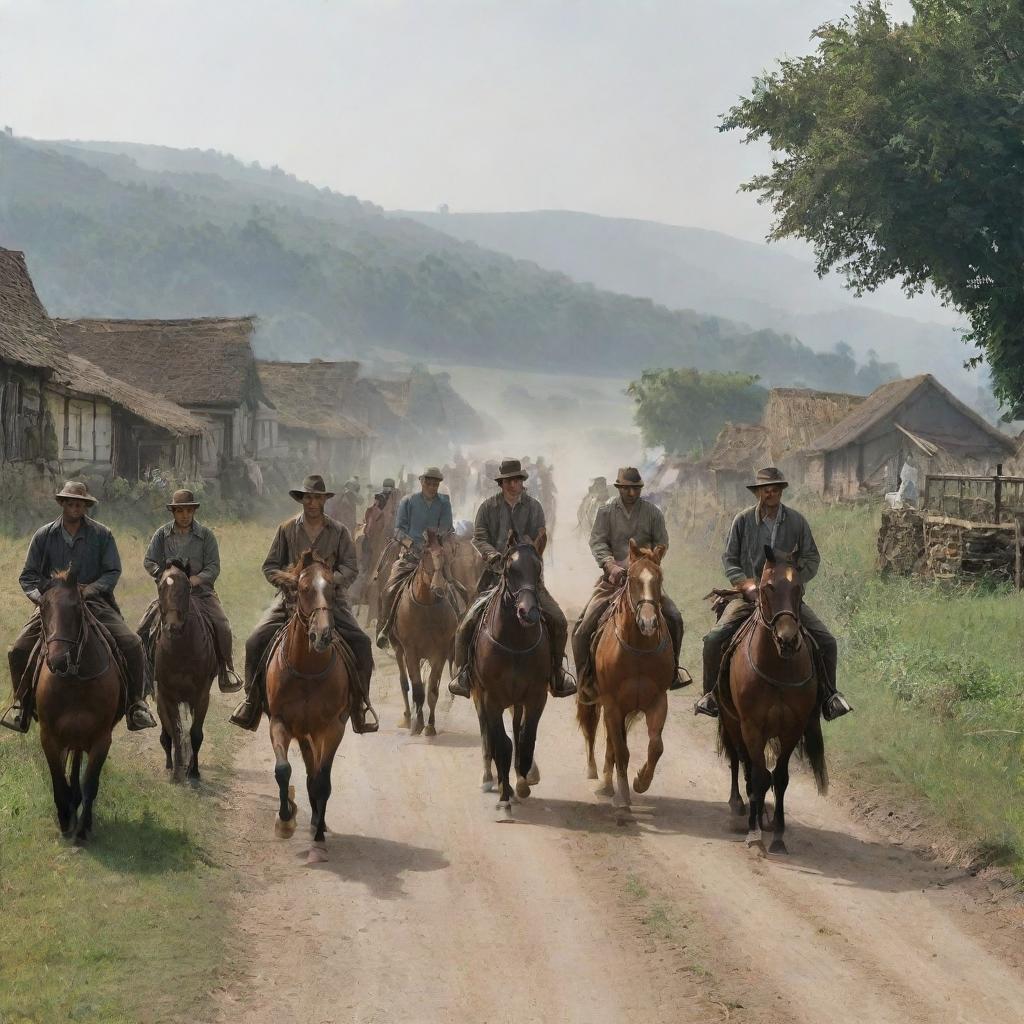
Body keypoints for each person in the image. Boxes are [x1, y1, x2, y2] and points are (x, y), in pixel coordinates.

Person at [694, 466, 852, 721]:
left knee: (827, 641)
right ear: (758, 493)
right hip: (749, 596)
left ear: (781, 492)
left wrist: (793, 579)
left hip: (786, 599)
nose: (771, 493)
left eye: (775, 489)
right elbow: (729, 559)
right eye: (766, 489)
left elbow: (812, 557)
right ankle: (710, 695)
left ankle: (830, 697)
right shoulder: (742, 521)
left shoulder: (797, 521)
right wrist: (745, 583)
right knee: (714, 639)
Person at [2, 481, 158, 733]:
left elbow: (112, 571)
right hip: (53, 606)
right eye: (71, 502)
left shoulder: (101, 534)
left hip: (93, 602)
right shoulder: (44, 535)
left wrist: (89, 590)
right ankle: (22, 705)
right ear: (62, 503)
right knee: (18, 649)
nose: (76, 507)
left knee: (132, 643)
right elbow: (27, 577)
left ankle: (136, 704)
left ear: (87, 506)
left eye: (81, 504)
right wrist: (42, 599)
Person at [229, 474, 378, 733]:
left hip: (328, 602)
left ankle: (360, 705)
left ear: (324, 500)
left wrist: (327, 581)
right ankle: (251, 700)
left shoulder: (339, 531)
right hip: (290, 601)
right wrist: (290, 581)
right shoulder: (287, 529)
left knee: (363, 643)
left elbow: (351, 568)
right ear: (302, 499)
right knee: (255, 640)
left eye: (317, 498)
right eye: (308, 497)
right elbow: (270, 566)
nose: (312, 502)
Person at [448, 458, 575, 699]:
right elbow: (479, 537)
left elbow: (540, 535)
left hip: (527, 579)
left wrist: (525, 549)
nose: (513, 485)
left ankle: (557, 673)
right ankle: (464, 674)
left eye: (517, 480)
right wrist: (493, 554)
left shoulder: (534, 507)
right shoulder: (488, 507)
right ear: (501, 483)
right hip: (494, 576)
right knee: (466, 623)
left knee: (558, 620)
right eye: (509, 481)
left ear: (522, 482)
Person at [571, 467, 689, 704]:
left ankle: (673, 670)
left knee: (674, 617)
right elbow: (597, 542)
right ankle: (586, 679)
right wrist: (611, 565)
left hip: (644, 581)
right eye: (627, 488)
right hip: (613, 581)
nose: (632, 492)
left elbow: (662, 542)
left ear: (640, 489)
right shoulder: (605, 512)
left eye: (635, 488)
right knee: (583, 628)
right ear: (619, 488)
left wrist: (647, 561)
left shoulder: (653, 512)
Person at [137, 489, 241, 693]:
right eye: (179, 511)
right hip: (170, 595)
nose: (184, 515)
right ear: (173, 512)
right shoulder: (162, 534)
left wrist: (197, 578)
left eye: (188, 511)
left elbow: (213, 566)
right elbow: (149, 561)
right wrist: (163, 574)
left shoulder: (206, 536)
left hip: (201, 593)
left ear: (194, 511)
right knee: (142, 628)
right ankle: (145, 676)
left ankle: (225, 669)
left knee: (222, 624)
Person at [376, 467, 454, 648]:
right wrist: (413, 545)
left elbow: (446, 526)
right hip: (411, 555)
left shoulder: (444, 502)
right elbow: (398, 530)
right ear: (421, 482)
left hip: (436, 555)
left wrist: (435, 541)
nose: (432, 486)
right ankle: (385, 628)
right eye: (429, 482)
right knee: (389, 588)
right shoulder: (408, 501)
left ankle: (457, 629)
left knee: (457, 588)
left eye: (436, 483)